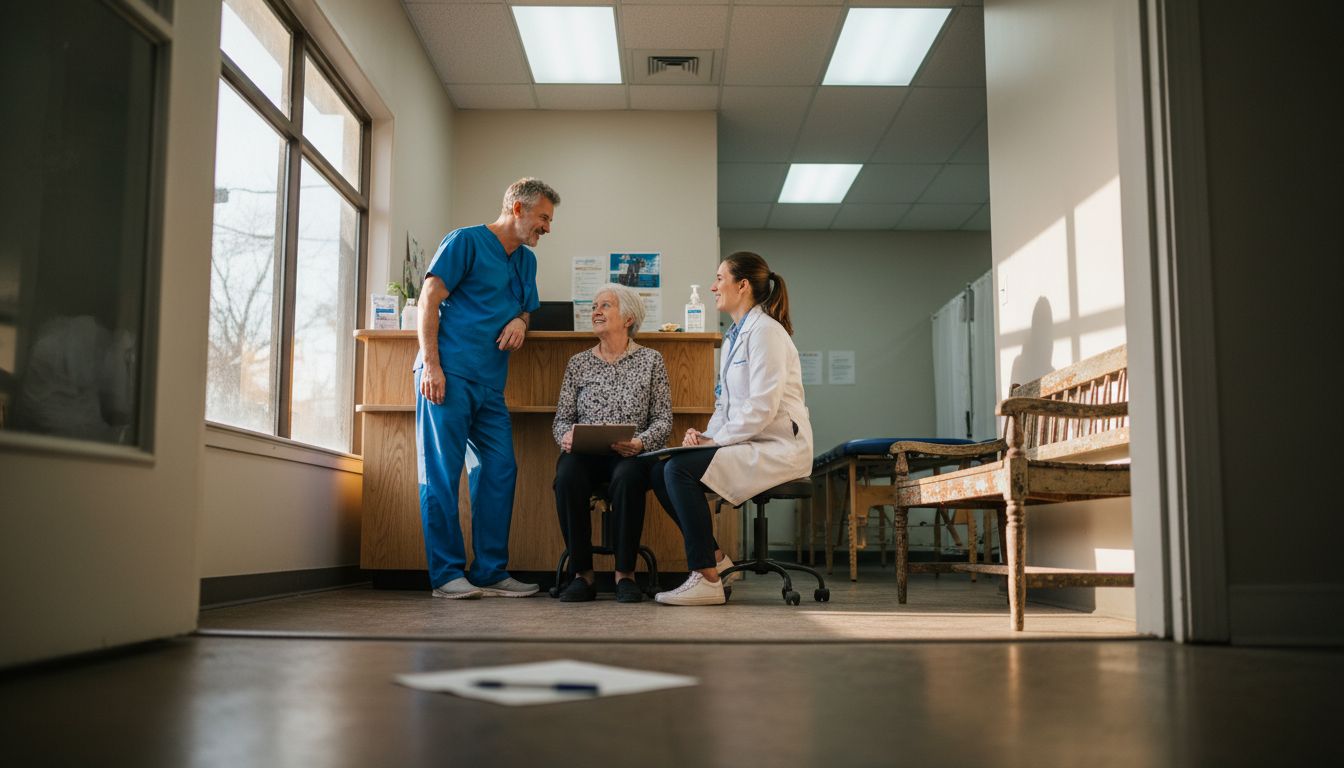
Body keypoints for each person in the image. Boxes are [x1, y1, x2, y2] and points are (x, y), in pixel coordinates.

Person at [415, 177, 560, 600]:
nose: (547, 228)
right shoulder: (465, 242)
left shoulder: (526, 263)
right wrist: (432, 366)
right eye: (543, 218)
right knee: (442, 474)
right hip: (449, 373)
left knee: (499, 470)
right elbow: (429, 298)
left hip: (490, 385)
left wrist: (520, 321)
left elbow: (524, 311)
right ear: (517, 208)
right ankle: (445, 575)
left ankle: (491, 571)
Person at [650, 252, 814, 606]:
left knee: (678, 470)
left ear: (742, 286)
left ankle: (706, 578)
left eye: (719, 279)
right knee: (661, 468)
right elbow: (725, 405)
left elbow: (762, 408)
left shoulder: (767, 333)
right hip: (750, 440)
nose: (713, 287)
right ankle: (718, 558)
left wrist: (714, 441)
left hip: (779, 447)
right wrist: (703, 437)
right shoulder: (734, 338)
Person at [551, 283, 672, 603]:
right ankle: (582, 574)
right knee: (566, 476)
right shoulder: (579, 363)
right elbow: (562, 418)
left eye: (605, 305)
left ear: (628, 318)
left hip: (631, 454)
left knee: (628, 477)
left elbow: (663, 420)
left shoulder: (651, 360)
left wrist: (641, 442)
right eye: (594, 306)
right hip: (585, 453)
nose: (596, 312)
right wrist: (564, 436)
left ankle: (625, 575)